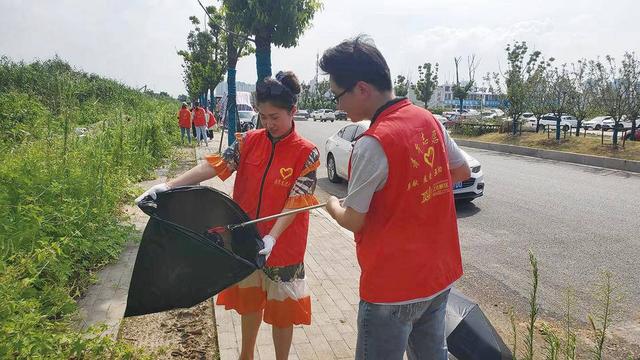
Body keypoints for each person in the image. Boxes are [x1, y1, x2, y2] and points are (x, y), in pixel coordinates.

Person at [135, 71, 320, 360]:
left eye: (275, 117)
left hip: (284, 248)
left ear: (292, 111)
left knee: (283, 312)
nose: (268, 124)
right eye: (263, 116)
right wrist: (168, 185)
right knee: (250, 304)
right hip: (245, 240)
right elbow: (216, 167)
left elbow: (296, 202)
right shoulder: (248, 141)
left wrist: (272, 237)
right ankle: (245, 355)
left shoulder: (307, 153)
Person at [321, 35, 471, 360]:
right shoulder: (428, 119)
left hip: (392, 288)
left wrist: (333, 206)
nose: (338, 105)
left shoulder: (373, 143)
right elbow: (461, 172)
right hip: (437, 276)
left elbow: (354, 219)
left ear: (362, 89)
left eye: (338, 96)